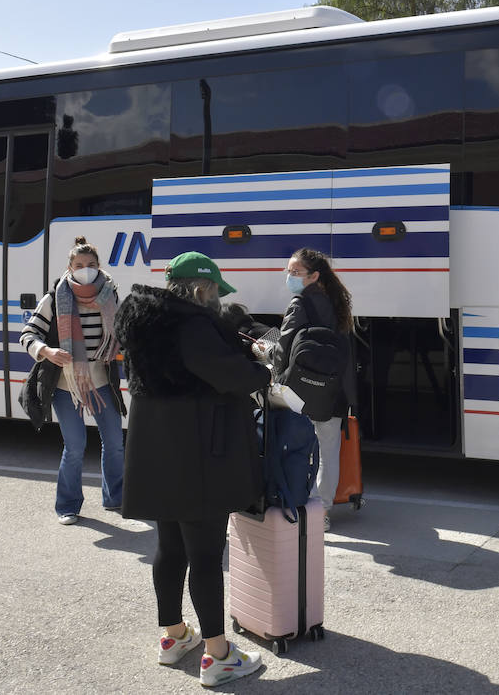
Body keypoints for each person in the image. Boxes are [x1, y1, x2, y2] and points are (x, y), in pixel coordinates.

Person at [114, 251, 273, 687]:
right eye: (215, 290)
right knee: (204, 556)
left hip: (157, 452)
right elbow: (231, 376)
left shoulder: (147, 322)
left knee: (170, 548)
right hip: (198, 454)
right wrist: (261, 370)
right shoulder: (192, 325)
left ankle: (174, 636)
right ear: (202, 288)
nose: (217, 299)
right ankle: (219, 656)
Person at [19, 236, 126, 525]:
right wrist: (47, 351)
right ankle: (67, 506)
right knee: (75, 446)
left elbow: (121, 332)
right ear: (70, 268)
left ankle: (116, 498)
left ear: (99, 266)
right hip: (67, 384)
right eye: (79, 265)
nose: (85, 269)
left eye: (91, 264)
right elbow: (28, 334)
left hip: (102, 381)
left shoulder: (110, 294)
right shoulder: (56, 297)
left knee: (115, 443)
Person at [276, 247, 356, 531]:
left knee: (298, 449)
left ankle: (297, 504)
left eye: (295, 272)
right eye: (289, 271)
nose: (290, 276)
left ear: (314, 276)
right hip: (333, 390)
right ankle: (322, 512)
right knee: (328, 452)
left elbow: (283, 348)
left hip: (301, 390)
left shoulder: (299, 304)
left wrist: (272, 366)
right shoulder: (338, 304)